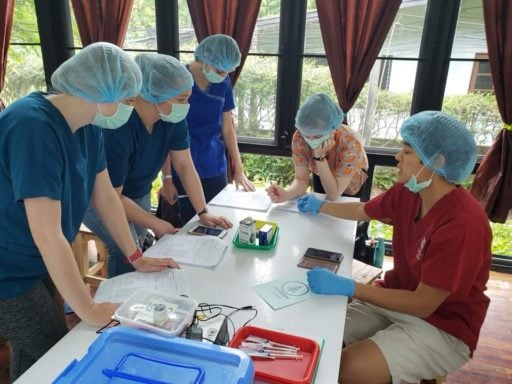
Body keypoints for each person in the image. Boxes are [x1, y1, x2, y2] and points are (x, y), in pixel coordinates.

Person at [0, 42, 179, 381]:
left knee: (37, 350)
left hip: (35, 258)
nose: (130, 109)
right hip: (8, 265)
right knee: (52, 347)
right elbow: (48, 235)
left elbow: (106, 197)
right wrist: (87, 307)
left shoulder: (89, 124)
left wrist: (135, 256)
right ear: (103, 93)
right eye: (127, 101)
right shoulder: (32, 126)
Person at [297, 111, 492, 383]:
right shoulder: (409, 191)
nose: (397, 157)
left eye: (407, 151)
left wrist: (350, 287)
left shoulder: (463, 224)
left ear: (436, 161)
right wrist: (321, 207)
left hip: (444, 326)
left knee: (349, 369)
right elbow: (365, 210)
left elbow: (424, 305)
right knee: (318, 337)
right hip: (396, 298)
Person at [83, 52, 233, 277]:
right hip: (96, 196)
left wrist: (203, 212)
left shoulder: (172, 119)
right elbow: (109, 196)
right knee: (127, 250)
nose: (187, 106)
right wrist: (155, 222)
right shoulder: (119, 127)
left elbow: (184, 166)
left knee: (140, 242)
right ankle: (120, 303)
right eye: (181, 99)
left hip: (137, 191)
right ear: (152, 95)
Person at [164, 34, 255, 225]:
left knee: (217, 223)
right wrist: (167, 178)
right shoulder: (178, 79)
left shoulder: (223, 83)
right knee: (186, 228)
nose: (224, 76)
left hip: (214, 166)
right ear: (205, 59)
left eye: (228, 72)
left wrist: (238, 170)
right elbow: (165, 132)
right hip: (181, 166)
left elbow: (228, 129)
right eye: (221, 71)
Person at [266, 93, 368, 203]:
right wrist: (287, 194)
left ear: (333, 129)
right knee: (320, 209)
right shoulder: (299, 137)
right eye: (307, 135)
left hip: (351, 183)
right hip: (321, 172)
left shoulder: (350, 142)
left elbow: (334, 195)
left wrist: (319, 157)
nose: (311, 140)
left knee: (341, 214)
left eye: (317, 136)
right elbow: (301, 179)